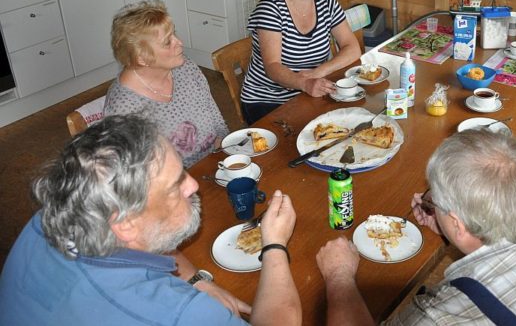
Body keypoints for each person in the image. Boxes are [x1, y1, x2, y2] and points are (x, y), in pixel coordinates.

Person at [316, 130, 516, 325]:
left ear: (458, 223)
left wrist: (339, 277)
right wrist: (450, 228)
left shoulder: (448, 314)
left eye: (434, 197)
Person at [0, 115, 300, 326]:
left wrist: (196, 280)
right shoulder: (178, 312)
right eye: (175, 186)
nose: (193, 185)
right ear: (126, 223)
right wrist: (273, 244)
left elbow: (151, 233)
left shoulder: (54, 214)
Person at [240, 0, 362, 124]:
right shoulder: (270, 10)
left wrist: (318, 72)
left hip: (311, 90)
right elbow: (273, 66)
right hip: (268, 99)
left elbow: (352, 48)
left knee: (349, 122)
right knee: (315, 138)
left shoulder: (326, 2)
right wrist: (304, 83)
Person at [104, 0, 228, 167]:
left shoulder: (186, 68)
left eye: (174, 33)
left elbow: (217, 122)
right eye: (167, 42)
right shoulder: (124, 109)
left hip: (216, 163)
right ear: (141, 58)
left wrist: (227, 147)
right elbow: (138, 177)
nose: (179, 42)